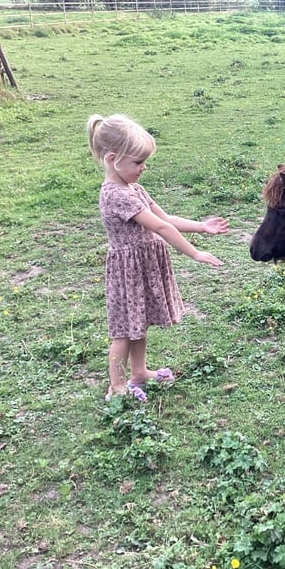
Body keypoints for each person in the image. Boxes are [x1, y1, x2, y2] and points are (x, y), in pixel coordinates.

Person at [87, 113, 229, 402]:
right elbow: (160, 227)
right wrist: (195, 252)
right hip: (129, 269)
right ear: (113, 159)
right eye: (138, 162)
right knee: (123, 331)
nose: (143, 168)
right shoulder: (116, 195)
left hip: (142, 265)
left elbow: (166, 217)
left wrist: (201, 225)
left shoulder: (133, 188)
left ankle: (139, 372)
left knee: (138, 322)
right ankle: (116, 387)